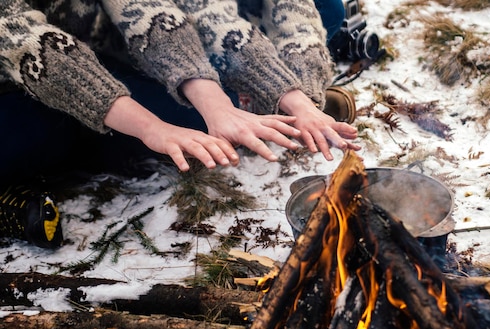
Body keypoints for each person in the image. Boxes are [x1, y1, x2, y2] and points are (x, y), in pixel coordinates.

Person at [0, 0, 359, 247]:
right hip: (16, 86)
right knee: (46, 131)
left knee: (191, 117)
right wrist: (149, 127)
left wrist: (293, 98)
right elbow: (33, 49)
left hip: (97, 54)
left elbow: (161, 15)